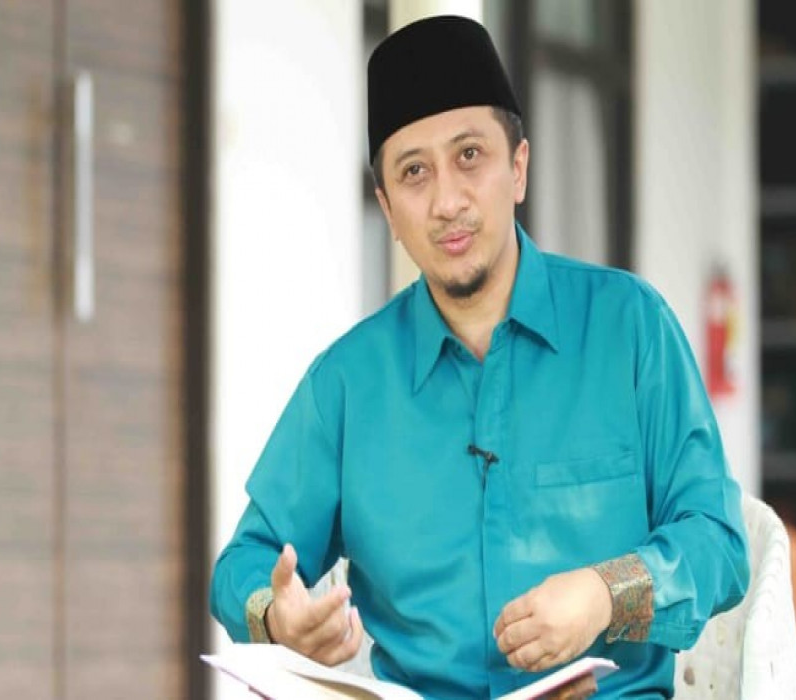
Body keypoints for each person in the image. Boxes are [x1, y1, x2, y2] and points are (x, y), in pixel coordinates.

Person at [211, 14, 750, 700]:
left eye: (470, 156)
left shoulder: (630, 327)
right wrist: (275, 615)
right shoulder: (346, 384)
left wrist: (605, 594)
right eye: (414, 172)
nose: (447, 201)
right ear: (387, 207)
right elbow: (243, 562)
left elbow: (718, 541)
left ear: (518, 168)